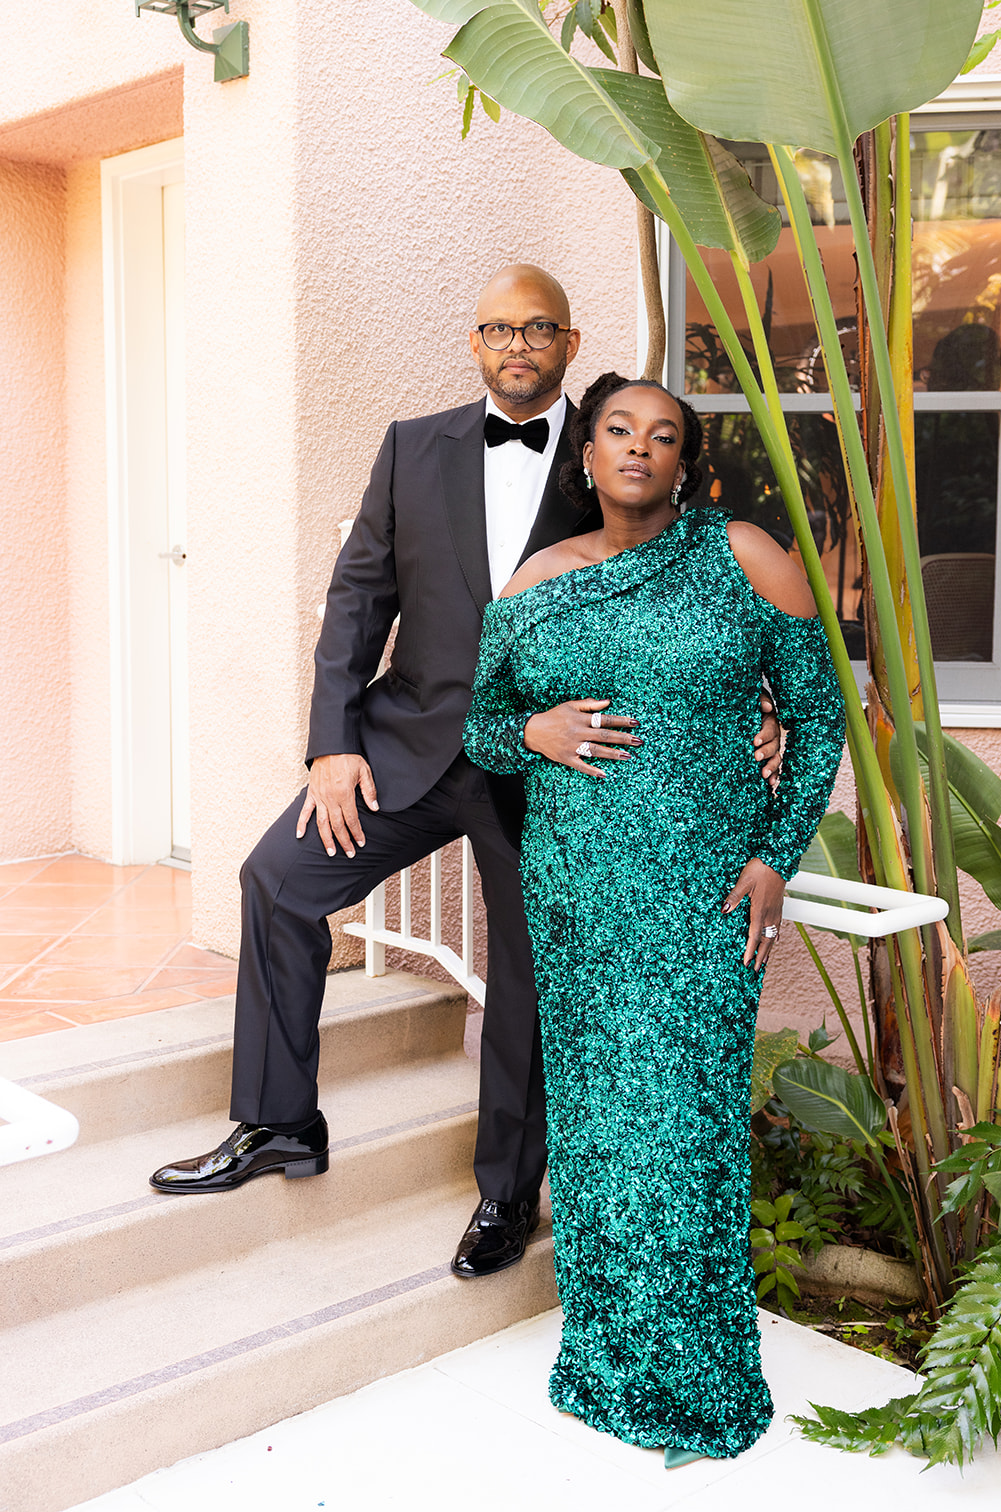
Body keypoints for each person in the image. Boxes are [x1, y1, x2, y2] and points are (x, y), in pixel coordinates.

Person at [148, 267, 781, 1283]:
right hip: (408, 745)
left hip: (552, 768)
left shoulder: (609, 446)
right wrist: (332, 744)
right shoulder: (411, 447)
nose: (515, 345)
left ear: (569, 342)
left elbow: (707, 583)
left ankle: (507, 1192)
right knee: (277, 878)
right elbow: (356, 599)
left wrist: (764, 708)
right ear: (474, 342)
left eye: (536, 328)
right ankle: (277, 1122)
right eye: (497, 329)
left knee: (525, 973)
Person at [463, 373, 845, 1460]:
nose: (638, 446)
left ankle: (698, 1374)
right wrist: (531, 732)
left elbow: (817, 716)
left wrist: (774, 856)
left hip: (701, 894)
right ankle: (606, 1356)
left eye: (663, 434)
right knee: (596, 1127)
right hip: (577, 893)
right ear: (586, 455)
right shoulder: (536, 579)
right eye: (618, 430)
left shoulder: (740, 554)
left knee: (682, 1127)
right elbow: (482, 726)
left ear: (685, 462)